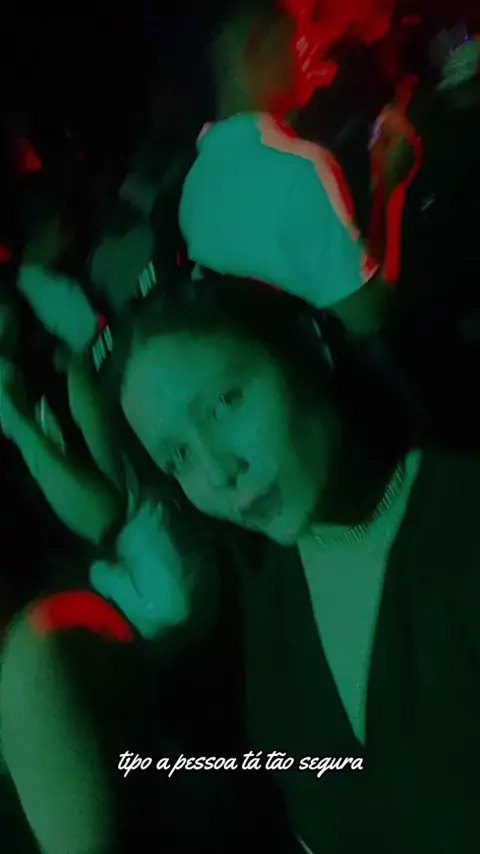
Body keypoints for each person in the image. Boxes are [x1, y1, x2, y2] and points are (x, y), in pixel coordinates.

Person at [93, 277, 478, 853]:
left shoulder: (459, 526)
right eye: (179, 457)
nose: (219, 471)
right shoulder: (270, 605)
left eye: (226, 403)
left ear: (308, 346)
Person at [179, 0, 391, 336]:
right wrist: (390, 184)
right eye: (295, 41)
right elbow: (370, 316)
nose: (310, 54)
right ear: (257, 53)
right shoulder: (298, 168)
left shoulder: (193, 188)